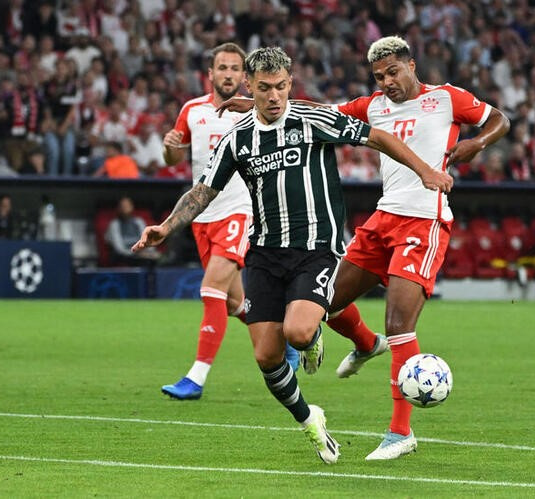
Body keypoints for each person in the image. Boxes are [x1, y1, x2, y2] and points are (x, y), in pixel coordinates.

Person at [132, 46, 450, 464]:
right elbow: (201, 191)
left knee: (298, 332)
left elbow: (378, 137)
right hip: (264, 252)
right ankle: (309, 419)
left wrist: (424, 170)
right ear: (251, 86)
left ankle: (314, 330)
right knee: (267, 355)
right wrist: (165, 227)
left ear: (290, 83)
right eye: (264, 88)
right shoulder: (237, 139)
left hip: (315, 248)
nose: (274, 96)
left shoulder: (312, 118)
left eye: (282, 87)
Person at [218, 36, 509, 460]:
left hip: (424, 219)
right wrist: (256, 106)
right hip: (382, 218)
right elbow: (313, 115)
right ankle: (365, 344)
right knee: (325, 301)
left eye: (393, 72)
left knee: (400, 324)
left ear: (411, 65)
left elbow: (499, 117)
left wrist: (478, 143)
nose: (387, 82)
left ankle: (400, 433)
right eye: (379, 76)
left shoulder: (447, 99)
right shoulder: (370, 105)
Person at [158, 42, 299, 402]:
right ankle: (286, 343)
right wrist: (170, 144)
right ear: (211, 73)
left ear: (245, 77)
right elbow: (173, 157)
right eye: (222, 67)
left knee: (210, 290)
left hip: (241, 210)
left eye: (235, 69)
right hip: (202, 216)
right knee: (238, 303)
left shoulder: (257, 111)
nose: (228, 74)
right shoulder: (191, 110)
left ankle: (196, 377)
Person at [105, 196, 160, 266]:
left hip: (140, 253)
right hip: (123, 256)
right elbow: (119, 249)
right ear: (118, 208)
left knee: (156, 258)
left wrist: (150, 252)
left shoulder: (139, 221)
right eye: (122, 206)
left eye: (127, 205)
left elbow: (146, 240)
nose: (125, 208)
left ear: (132, 207)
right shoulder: (114, 224)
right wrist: (136, 254)